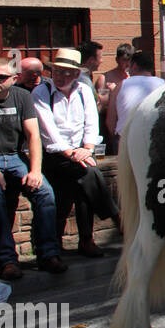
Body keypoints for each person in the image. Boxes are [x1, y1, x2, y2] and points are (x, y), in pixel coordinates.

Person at [0, 59, 65, 279]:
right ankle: (6, 261)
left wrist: (36, 171)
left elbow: (33, 136)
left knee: (45, 192)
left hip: (15, 157)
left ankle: (48, 255)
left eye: (0, 77)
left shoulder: (22, 97)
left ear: (13, 79)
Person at [33, 48, 120, 258]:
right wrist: (73, 154)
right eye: (58, 72)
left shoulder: (83, 90)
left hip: (80, 153)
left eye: (67, 72)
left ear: (76, 75)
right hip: (54, 154)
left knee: (84, 181)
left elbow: (92, 125)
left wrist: (87, 149)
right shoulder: (41, 93)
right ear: (52, 72)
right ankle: (107, 225)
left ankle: (81, 240)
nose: (61, 76)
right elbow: (49, 133)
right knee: (88, 173)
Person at [109, 51, 165, 137]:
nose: (128, 71)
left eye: (129, 67)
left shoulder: (121, 85)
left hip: (125, 137)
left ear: (134, 67)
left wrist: (115, 138)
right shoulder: (162, 84)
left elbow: (110, 119)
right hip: (153, 137)